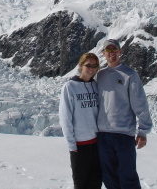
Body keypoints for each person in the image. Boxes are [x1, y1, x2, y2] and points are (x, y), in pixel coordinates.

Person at [96, 39, 152, 189]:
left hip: (124, 134)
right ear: (103, 53)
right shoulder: (99, 75)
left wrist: (143, 131)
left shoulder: (129, 74)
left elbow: (139, 103)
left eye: (114, 50)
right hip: (103, 135)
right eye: (108, 50)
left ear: (120, 52)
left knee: (128, 176)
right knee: (108, 177)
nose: (112, 53)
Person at [59, 52, 102, 189]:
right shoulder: (70, 87)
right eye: (88, 65)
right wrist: (71, 145)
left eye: (94, 65)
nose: (91, 69)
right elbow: (65, 117)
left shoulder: (96, 86)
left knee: (96, 182)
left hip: (96, 145)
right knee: (80, 183)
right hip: (80, 146)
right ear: (80, 66)